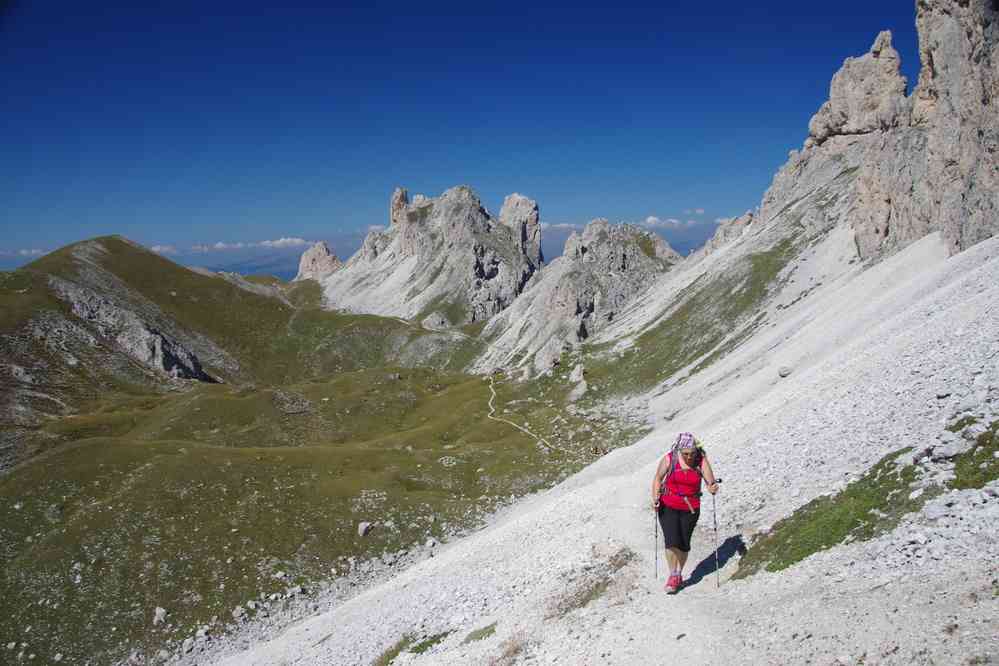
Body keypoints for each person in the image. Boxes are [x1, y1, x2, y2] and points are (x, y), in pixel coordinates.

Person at [651, 432, 719, 594]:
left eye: (692, 453)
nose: (689, 457)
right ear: (679, 450)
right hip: (668, 504)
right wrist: (655, 498)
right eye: (686, 454)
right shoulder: (670, 459)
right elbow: (657, 478)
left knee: (684, 543)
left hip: (691, 507)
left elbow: (711, 482)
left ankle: (679, 573)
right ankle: (673, 574)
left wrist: (712, 487)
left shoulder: (701, 461)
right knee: (671, 540)